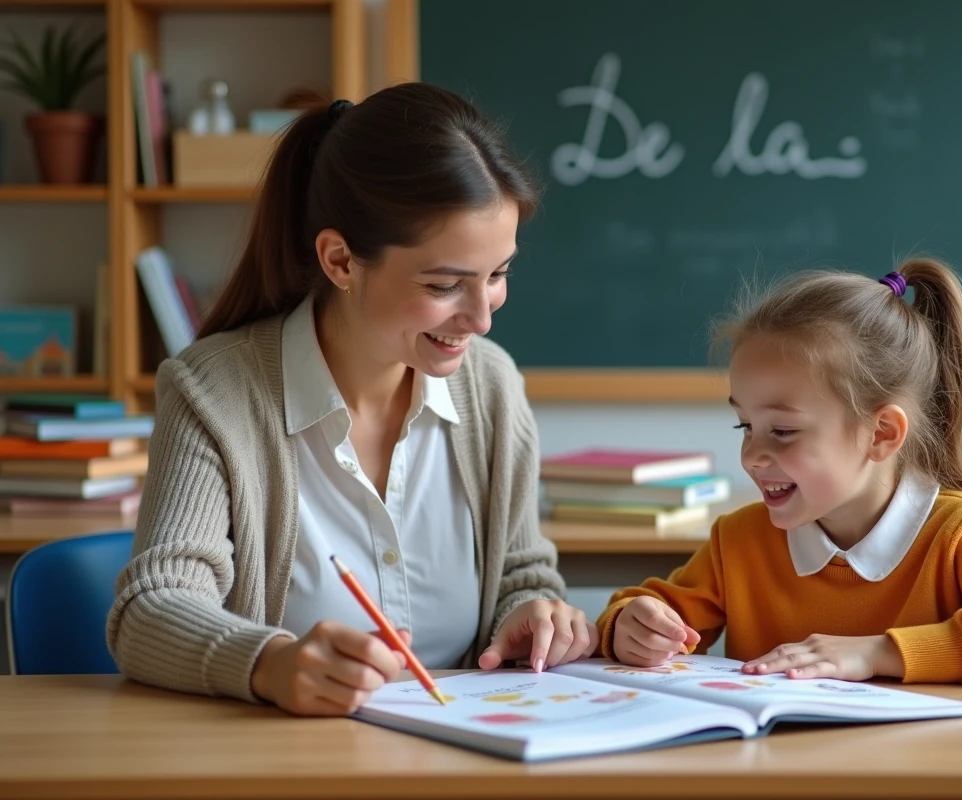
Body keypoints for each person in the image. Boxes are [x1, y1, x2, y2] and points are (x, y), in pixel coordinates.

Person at [107, 84, 597, 716]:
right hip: (288, 757)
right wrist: (269, 663)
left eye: (498, 275)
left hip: (468, 751)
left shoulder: (492, 387)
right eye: (444, 285)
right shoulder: (215, 394)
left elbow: (521, 575)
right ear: (340, 260)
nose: (481, 319)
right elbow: (150, 610)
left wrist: (533, 613)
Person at [596, 259, 962, 686]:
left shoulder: (961, 535)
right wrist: (628, 627)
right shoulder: (740, 541)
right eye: (746, 426)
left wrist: (877, 652)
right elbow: (646, 611)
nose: (752, 456)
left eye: (783, 431)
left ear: (881, 434)